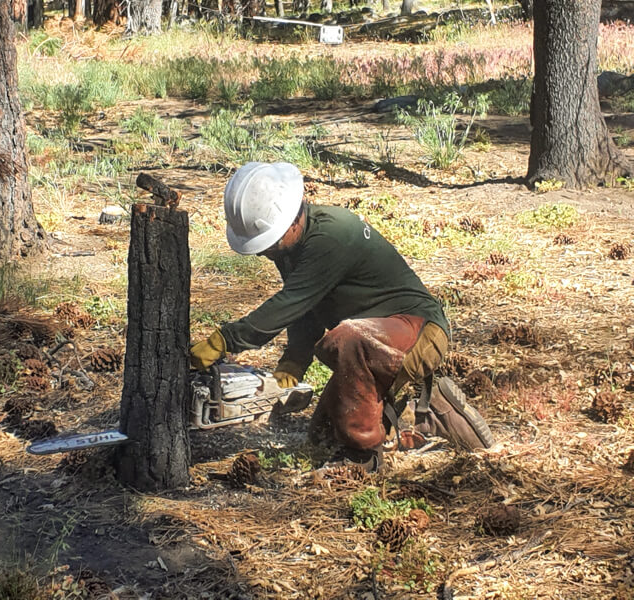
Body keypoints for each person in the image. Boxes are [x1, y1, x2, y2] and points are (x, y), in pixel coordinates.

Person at [189, 162, 493, 470]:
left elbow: (291, 302)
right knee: (323, 438)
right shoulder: (292, 246)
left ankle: (363, 459)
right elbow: (306, 307)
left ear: (294, 218)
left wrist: (223, 341)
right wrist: (295, 360)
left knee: (349, 350)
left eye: (271, 243)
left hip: (418, 332)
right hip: (377, 340)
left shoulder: (329, 238)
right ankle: (426, 416)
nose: (266, 253)